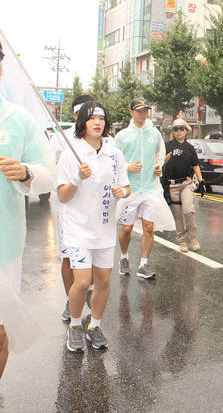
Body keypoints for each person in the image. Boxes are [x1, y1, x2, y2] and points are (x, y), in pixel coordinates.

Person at [0, 40, 56, 378]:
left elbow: (48, 172)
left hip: (4, 246)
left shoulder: (18, 120)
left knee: (0, 333)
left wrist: (25, 171)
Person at [57, 101, 130, 352]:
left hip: (104, 228)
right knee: (81, 282)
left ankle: (95, 326)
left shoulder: (114, 154)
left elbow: (126, 186)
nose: (97, 123)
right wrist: (77, 178)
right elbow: (63, 196)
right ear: (82, 123)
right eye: (91, 118)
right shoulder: (70, 155)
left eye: (101, 118)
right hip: (78, 229)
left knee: (104, 281)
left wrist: (122, 192)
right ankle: (75, 325)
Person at [50, 94, 96, 321]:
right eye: (82, 113)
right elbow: (52, 167)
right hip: (66, 204)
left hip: (92, 204)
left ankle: (87, 292)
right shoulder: (61, 138)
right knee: (69, 256)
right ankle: (71, 299)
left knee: (94, 253)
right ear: (75, 114)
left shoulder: (102, 139)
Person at [114, 98, 167, 279]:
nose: (143, 114)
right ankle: (124, 257)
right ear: (132, 112)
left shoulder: (155, 134)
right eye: (139, 111)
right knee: (127, 229)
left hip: (150, 188)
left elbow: (159, 156)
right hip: (131, 189)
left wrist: (159, 168)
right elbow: (113, 160)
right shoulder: (122, 136)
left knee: (149, 227)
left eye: (145, 110)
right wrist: (127, 167)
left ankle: (143, 264)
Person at [162, 118, 206, 252]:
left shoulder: (190, 148)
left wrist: (201, 181)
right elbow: (160, 162)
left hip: (186, 183)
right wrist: (169, 156)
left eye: (181, 129)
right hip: (172, 185)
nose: (178, 131)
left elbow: (195, 165)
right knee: (178, 216)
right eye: (176, 129)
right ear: (173, 131)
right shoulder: (167, 146)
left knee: (188, 211)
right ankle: (182, 241)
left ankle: (193, 238)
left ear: (186, 131)